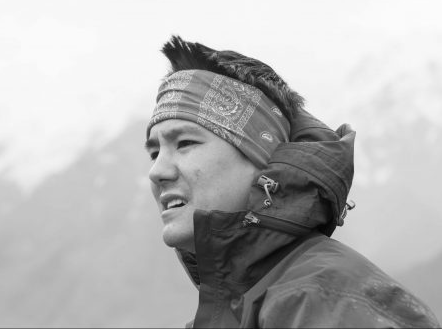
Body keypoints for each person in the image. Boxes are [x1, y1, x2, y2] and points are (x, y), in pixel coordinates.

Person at [145, 35, 439, 328]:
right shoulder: (242, 308)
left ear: (262, 160)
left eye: (184, 143)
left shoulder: (323, 302)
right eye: (154, 152)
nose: (157, 171)